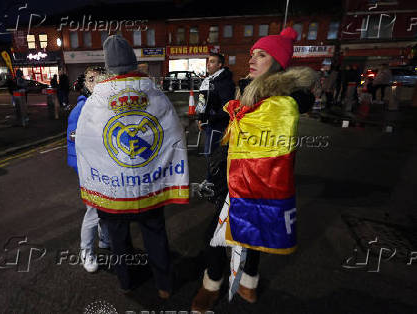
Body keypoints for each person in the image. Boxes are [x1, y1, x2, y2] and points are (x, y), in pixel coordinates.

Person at [191, 27, 317, 312]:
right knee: (231, 234)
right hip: (234, 176)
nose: (252, 59)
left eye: (261, 55)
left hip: (259, 180)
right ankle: (226, 282)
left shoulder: (284, 100)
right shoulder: (249, 88)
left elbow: (295, 105)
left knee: (234, 236)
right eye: (252, 54)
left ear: (276, 63)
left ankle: (230, 282)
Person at [75, 35, 189, 297]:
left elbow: (86, 141)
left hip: (114, 189)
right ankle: (164, 286)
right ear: (133, 62)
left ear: (109, 66)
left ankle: (127, 282)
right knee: (155, 234)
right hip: (149, 185)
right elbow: (172, 131)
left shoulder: (97, 97)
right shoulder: (153, 91)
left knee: (118, 240)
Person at [67, 66, 111, 273]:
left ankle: (104, 239)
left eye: (100, 79)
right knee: (93, 210)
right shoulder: (81, 110)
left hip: (104, 167)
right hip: (89, 170)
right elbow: (76, 145)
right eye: (92, 80)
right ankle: (86, 252)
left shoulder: (102, 105)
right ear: (84, 83)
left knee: (108, 206)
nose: (97, 83)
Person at [196, 53, 235, 181]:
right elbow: (203, 102)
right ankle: (214, 181)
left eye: (212, 62)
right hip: (208, 123)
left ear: (220, 65)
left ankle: (212, 183)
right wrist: (200, 118)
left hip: (217, 124)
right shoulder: (209, 80)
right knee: (211, 154)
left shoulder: (223, 82)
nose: (208, 64)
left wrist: (211, 119)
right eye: (208, 61)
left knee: (212, 154)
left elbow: (227, 106)